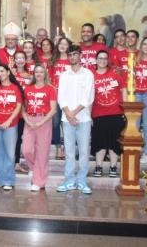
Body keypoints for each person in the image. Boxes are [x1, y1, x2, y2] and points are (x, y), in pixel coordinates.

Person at [56, 45, 94, 194]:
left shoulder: (88, 74)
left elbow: (88, 97)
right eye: (70, 55)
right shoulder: (64, 75)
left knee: (84, 151)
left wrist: (74, 113)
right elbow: (61, 97)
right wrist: (69, 114)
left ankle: (82, 181)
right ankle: (69, 181)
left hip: (83, 119)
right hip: (67, 119)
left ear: (80, 56)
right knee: (70, 152)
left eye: (75, 54)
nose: (72, 57)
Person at [0, 64, 23, 191]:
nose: (0, 74)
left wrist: (9, 120)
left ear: (8, 72)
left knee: (10, 153)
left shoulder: (15, 88)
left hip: (10, 125)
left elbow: (18, 106)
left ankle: (8, 180)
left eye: (2, 71)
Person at [91, 50, 127, 178]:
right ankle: (99, 166)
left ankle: (113, 166)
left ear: (108, 60)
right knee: (100, 142)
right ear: (96, 60)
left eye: (105, 58)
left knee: (114, 142)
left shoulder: (115, 74)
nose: (102, 60)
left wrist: (126, 108)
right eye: (100, 58)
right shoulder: (91, 76)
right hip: (98, 114)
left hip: (116, 113)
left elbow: (123, 90)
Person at [22, 64, 57, 191]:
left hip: (44, 121)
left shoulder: (50, 89)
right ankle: (33, 168)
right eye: (36, 72)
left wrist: (41, 122)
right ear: (34, 74)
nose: (38, 74)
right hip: (30, 121)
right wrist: (27, 120)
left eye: (41, 72)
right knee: (27, 150)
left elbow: (53, 110)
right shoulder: (27, 89)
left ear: (45, 74)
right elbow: (23, 107)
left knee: (42, 153)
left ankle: (39, 182)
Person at [49, 37, 72, 160]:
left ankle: (68, 147)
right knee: (56, 122)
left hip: (69, 97)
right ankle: (58, 147)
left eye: (65, 44)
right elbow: (49, 79)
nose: (63, 46)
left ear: (69, 46)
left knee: (67, 122)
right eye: (61, 43)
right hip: (56, 96)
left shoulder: (71, 60)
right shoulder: (54, 61)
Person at [12, 51, 31, 173]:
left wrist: (29, 77)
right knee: (15, 138)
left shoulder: (31, 75)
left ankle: (30, 163)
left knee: (25, 138)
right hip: (13, 111)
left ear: (25, 60)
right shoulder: (10, 74)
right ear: (14, 61)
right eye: (17, 58)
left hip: (27, 111)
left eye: (22, 58)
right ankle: (14, 162)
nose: (19, 60)